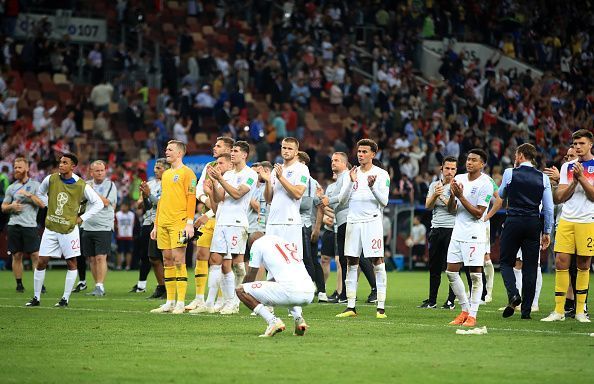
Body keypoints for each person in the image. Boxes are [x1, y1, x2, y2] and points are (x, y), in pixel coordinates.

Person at [25, 153, 103, 307]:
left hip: (69, 230)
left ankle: (65, 299)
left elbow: (98, 203)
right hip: (51, 228)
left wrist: (81, 218)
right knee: (41, 261)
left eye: (65, 162)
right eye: (60, 162)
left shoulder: (81, 185)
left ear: (73, 166)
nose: (61, 165)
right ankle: (36, 297)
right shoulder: (51, 179)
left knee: (71, 263)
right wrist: (50, 205)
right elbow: (40, 193)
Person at [496, 143, 553, 319]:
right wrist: (547, 231)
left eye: (516, 155)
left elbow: (501, 194)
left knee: (505, 262)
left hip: (513, 220)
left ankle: (513, 294)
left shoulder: (509, 173)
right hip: (532, 223)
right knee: (530, 267)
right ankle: (526, 312)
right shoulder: (543, 178)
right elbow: (549, 209)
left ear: (520, 156)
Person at [542, 130, 594, 323]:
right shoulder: (567, 167)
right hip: (567, 220)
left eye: (581, 143)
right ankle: (559, 311)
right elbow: (559, 197)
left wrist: (581, 178)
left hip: (588, 221)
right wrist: (574, 181)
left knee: (583, 265)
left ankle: (580, 311)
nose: (577, 147)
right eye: (575, 143)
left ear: (590, 144)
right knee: (561, 263)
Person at [335, 139, 390, 319]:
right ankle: (351, 306)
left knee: (377, 261)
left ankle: (380, 308)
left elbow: (384, 201)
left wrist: (373, 187)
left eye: (365, 152)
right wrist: (351, 182)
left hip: (372, 222)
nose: (361, 154)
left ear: (373, 154)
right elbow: (342, 201)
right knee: (351, 262)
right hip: (353, 222)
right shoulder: (351, 174)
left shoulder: (382, 174)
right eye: (359, 151)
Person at [206, 141, 258, 314]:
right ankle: (229, 301)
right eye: (232, 150)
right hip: (222, 221)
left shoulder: (250, 174)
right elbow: (220, 197)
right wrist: (214, 182)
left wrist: (220, 179)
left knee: (237, 263)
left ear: (244, 155)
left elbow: (237, 194)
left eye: (236, 151)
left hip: (237, 222)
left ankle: (236, 300)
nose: (232, 153)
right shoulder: (227, 174)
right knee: (220, 262)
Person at [445, 149, 494, 327]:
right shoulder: (459, 179)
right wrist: (452, 196)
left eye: (474, 160)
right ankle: (464, 310)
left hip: (475, 234)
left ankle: (473, 315)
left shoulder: (486, 183)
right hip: (458, 233)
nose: (469, 162)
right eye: (468, 159)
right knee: (451, 272)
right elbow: (451, 210)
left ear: (482, 164)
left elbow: (478, 213)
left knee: (475, 276)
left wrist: (460, 196)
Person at [185, 136, 234, 312]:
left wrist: (209, 212)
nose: (214, 147)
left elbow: (230, 199)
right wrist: (207, 201)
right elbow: (200, 190)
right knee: (201, 255)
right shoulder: (209, 166)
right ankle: (199, 298)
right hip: (211, 215)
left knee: (221, 261)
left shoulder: (235, 171)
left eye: (218, 146)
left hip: (225, 219)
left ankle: (222, 299)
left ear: (229, 149)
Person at [322, 152, 377, 304]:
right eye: (332, 160)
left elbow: (344, 199)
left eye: (337, 160)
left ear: (345, 164)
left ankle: (376, 289)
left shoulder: (347, 176)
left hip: (349, 220)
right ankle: (345, 294)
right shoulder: (340, 179)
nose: (333, 163)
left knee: (356, 256)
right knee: (347, 258)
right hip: (341, 222)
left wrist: (328, 200)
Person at [150, 140, 197, 314]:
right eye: (166, 149)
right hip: (163, 223)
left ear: (179, 153)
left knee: (179, 260)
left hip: (180, 222)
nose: (166, 152)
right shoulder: (167, 174)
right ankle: (169, 302)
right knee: (167, 260)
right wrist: (155, 224)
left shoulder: (188, 173)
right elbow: (162, 200)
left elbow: (191, 198)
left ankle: (180, 302)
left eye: (170, 150)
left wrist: (189, 223)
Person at [236, 235, 315, 337]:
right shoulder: (283, 241)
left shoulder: (257, 243)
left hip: (291, 292)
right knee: (286, 286)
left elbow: (251, 273)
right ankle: (299, 319)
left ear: (252, 242)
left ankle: (272, 321)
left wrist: (245, 291)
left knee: (240, 290)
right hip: (309, 293)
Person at [418, 156, 458, 309]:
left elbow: (453, 209)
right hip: (436, 228)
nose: (449, 172)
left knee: (451, 267)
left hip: (452, 229)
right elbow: (428, 206)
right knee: (434, 267)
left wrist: (441, 196)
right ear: (442, 169)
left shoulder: (458, 186)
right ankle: (432, 300)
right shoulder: (434, 185)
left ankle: (450, 300)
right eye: (447, 168)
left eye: (453, 169)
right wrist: (435, 194)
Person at [1, 157, 44, 292]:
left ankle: (39, 284)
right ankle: (19, 284)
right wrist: (11, 206)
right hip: (14, 225)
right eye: (15, 167)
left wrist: (29, 195)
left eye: (19, 167)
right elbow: (3, 207)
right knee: (17, 255)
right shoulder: (11, 188)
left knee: (35, 256)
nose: (16, 170)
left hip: (30, 225)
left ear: (26, 168)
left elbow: (42, 204)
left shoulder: (36, 185)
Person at [262, 137, 309, 260]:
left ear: (296, 152)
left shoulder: (302, 169)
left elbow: (298, 193)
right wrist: (267, 182)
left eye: (290, 148)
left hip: (290, 222)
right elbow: (268, 199)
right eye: (284, 147)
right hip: (272, 221)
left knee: (292, 262)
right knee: (272, 261)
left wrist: (281, 178)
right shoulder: (275, 170)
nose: (286, 151)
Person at [132, 158, 169, 298]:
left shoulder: (169, 183)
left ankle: (168, 288)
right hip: (148, 222)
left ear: (166, 169)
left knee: (165, 258)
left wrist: (149, 194)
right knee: (152, 257)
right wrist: (143, 197)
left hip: (162, 222)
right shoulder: (150, 183)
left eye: (159, 168)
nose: (155, 170)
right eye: (155, 167)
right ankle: (161, 287)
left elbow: (163, 203)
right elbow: (142, 205)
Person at [80, 160, 117, 297]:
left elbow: (106, 202)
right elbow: (80, 201)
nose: (100, 173)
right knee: (92, 259)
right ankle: (97, 285)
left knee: (101, 257)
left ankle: (100, 286)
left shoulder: (110, 185)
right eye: (97, 170)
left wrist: (90, 192)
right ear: (91, 172)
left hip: (104, 225)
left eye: (102, 170)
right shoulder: (86, 185)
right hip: (87, 225)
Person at [296, 151, 326, 302]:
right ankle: (320, 291)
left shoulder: (309, 182)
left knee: (308, 259)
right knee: (311, 259)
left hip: (305, 224)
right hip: (305, 224)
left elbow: (318, 206)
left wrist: (317, 228)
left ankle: (313, 289)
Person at [115, 201, 135, 271]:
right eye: (122, 206)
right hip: (120, 235)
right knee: (119, 251)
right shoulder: (118, 214)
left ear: (128, 207)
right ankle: (119, 266)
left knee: (129, 251)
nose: (123, 208)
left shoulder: (131, 214)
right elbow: (115, 224)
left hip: (129, 235)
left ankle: (128, 266)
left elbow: (134, 224)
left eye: (125, 206)